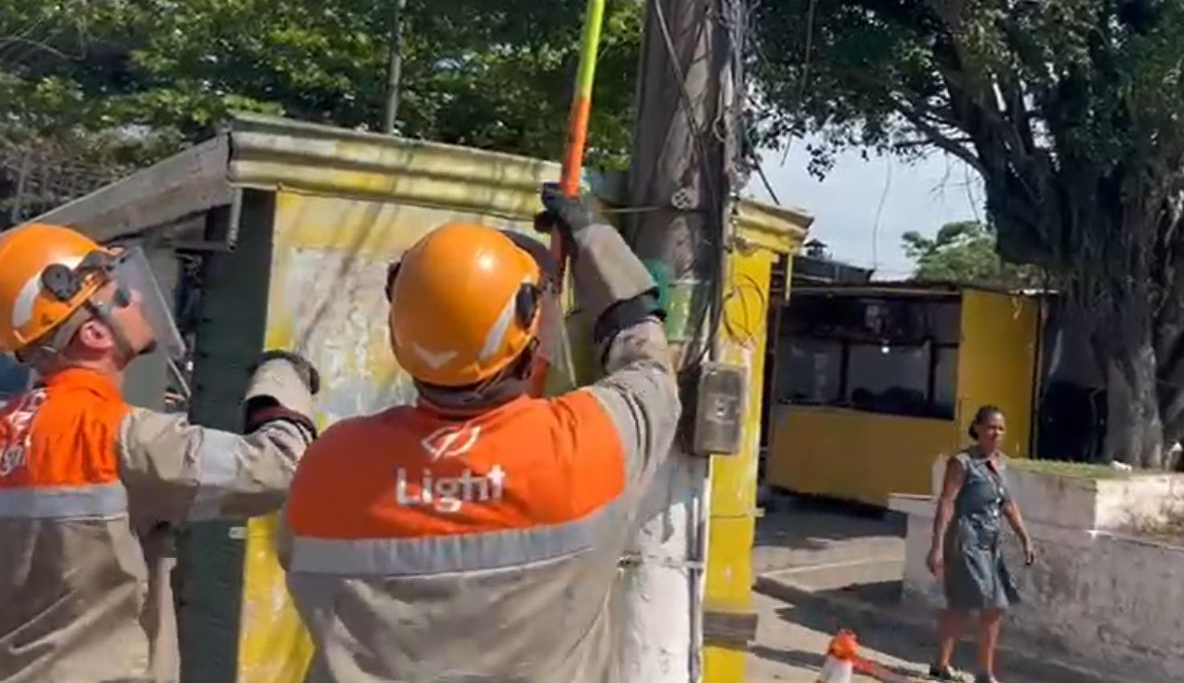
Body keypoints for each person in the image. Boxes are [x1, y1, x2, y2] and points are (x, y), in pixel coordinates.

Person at [278, 186, 680, 683]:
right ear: (531, 345)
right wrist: (594, 238)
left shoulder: (329, 467)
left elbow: (299, 561)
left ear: (401, 337)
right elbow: (648, 366)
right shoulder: (587, 446)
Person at [0, 223, 321, 683]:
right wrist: (281, 380)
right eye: (122, 294)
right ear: (94, 333)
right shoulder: (118, 436)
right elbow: (276, 468)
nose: (141, 299)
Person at [926, 405, 1035, 683]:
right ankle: (983, 673)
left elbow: (1008, 505)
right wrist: (937, 547)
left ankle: (944, 665)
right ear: (977, 429)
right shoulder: (962, 463)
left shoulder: (1001, 464)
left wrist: (1024, 538)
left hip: (990, 544)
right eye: (990, 427)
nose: (995, 433)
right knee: (990, 604)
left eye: (1000, 428)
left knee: (964, 605)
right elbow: (946, 503)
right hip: (966, 541)